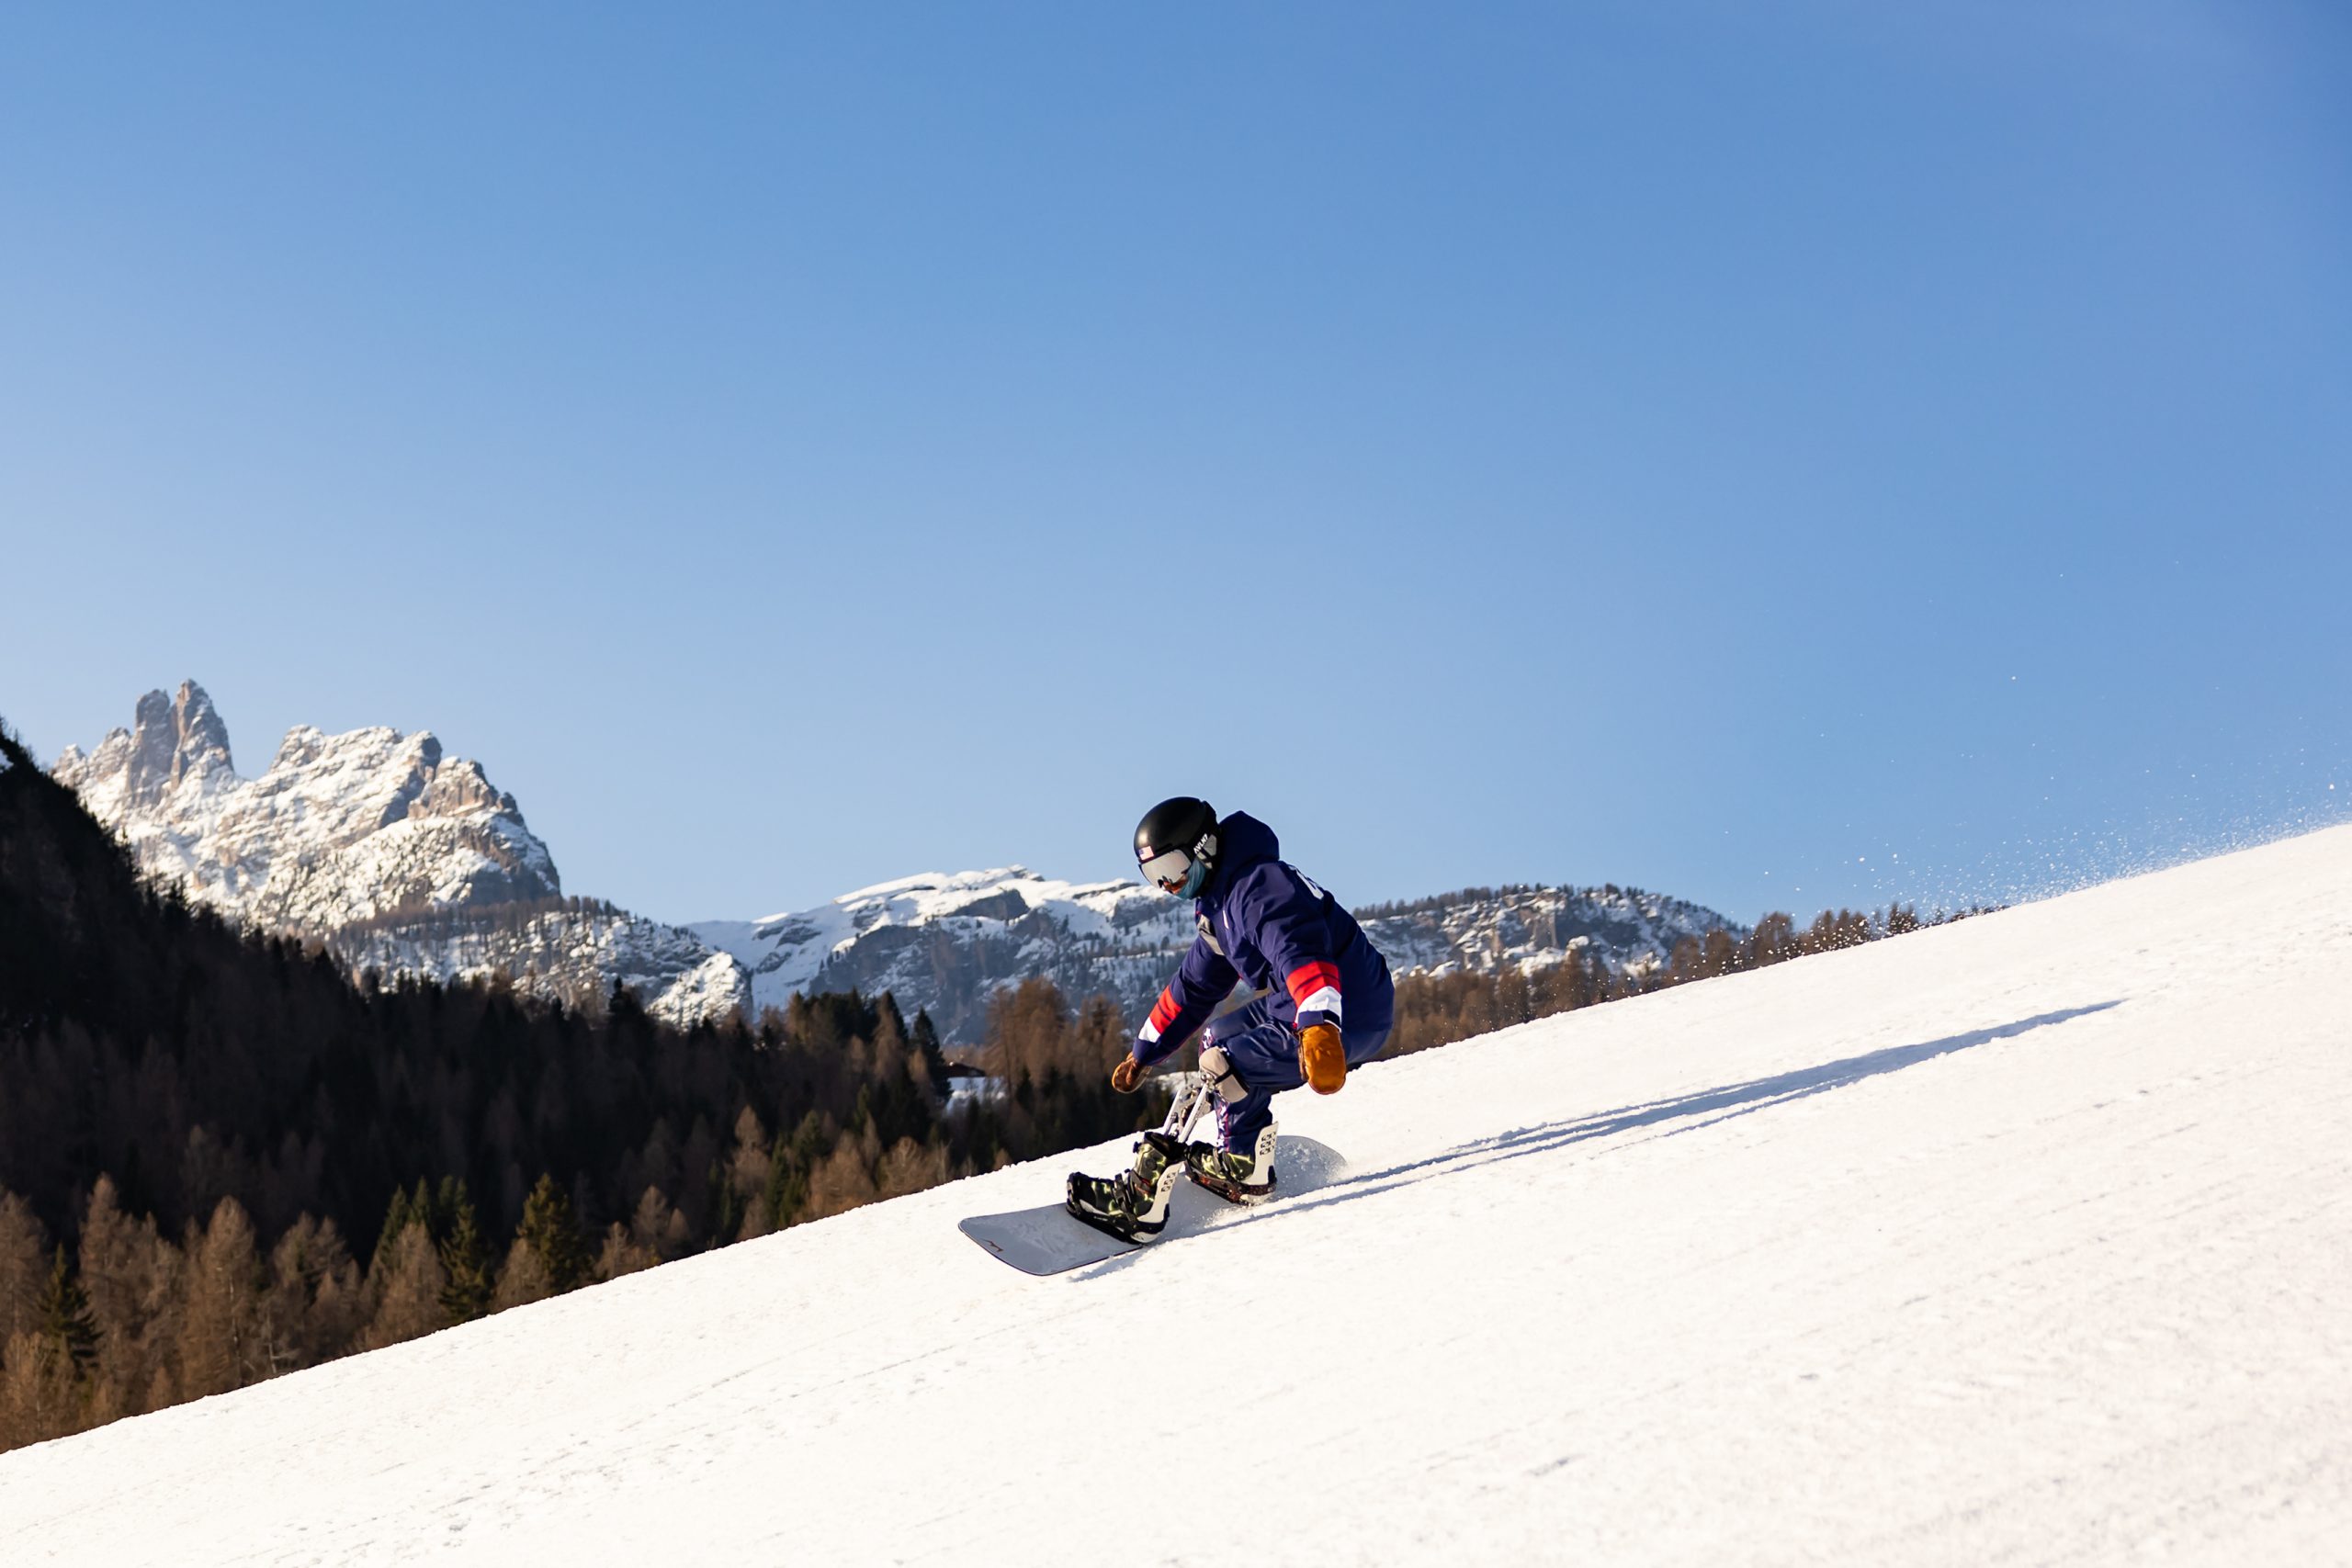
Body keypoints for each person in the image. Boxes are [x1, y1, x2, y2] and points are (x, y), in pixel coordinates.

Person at [1066, 796, 1394, 1241]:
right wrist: (1144, 1053)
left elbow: (1301, 952)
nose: (1167, 884)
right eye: (1153, 876)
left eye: (1173, 866)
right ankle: (1240, 1147)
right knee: (1216, 1037)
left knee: (1223, 1061)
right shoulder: (1219, 904)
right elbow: (1194, 988)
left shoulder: (1259, 888)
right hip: (1302, 1001)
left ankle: (1244, 1167)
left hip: (1345, 1005)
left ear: (1203, 848)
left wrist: (1319, 1025)